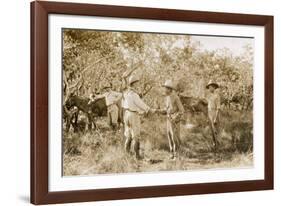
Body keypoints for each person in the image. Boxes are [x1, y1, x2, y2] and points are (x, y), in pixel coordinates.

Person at [122, 75, 155, 160]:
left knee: (128, 135)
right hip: (133, 115)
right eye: (137, 83)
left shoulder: (126, 93)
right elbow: (141, 104)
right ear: (134, 84)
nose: (138, 84)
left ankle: (127, 154)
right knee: (136, 135)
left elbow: (124, 104)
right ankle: (137, 156)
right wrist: (149, 109)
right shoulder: (134, 94)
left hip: (126, 114)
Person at [158, 80, 185, 159]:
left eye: (166, 88)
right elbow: (167, 109)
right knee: (169, 135)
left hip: (175, 120)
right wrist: (159, 111)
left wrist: (175, 118)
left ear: (170, 89)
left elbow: (182, 110)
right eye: (164, 88)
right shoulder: (166, 97)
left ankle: (177, 154)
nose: (164, 90)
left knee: (175, 137)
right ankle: (171, 152)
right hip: (168, 119)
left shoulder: (175, 97)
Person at [205, 80, 221, 150]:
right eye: (209, 87)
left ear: (214, 87)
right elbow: (208, 106)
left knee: (215, 130)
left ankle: (218, 146)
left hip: (215, 113)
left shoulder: (217, 96)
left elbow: (218, 108)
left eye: (211, 87)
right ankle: (214, 145)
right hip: (209, 113)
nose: (210, 88)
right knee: (211, 131)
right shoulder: (208, 96)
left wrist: (215, 118)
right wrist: (207, 117)